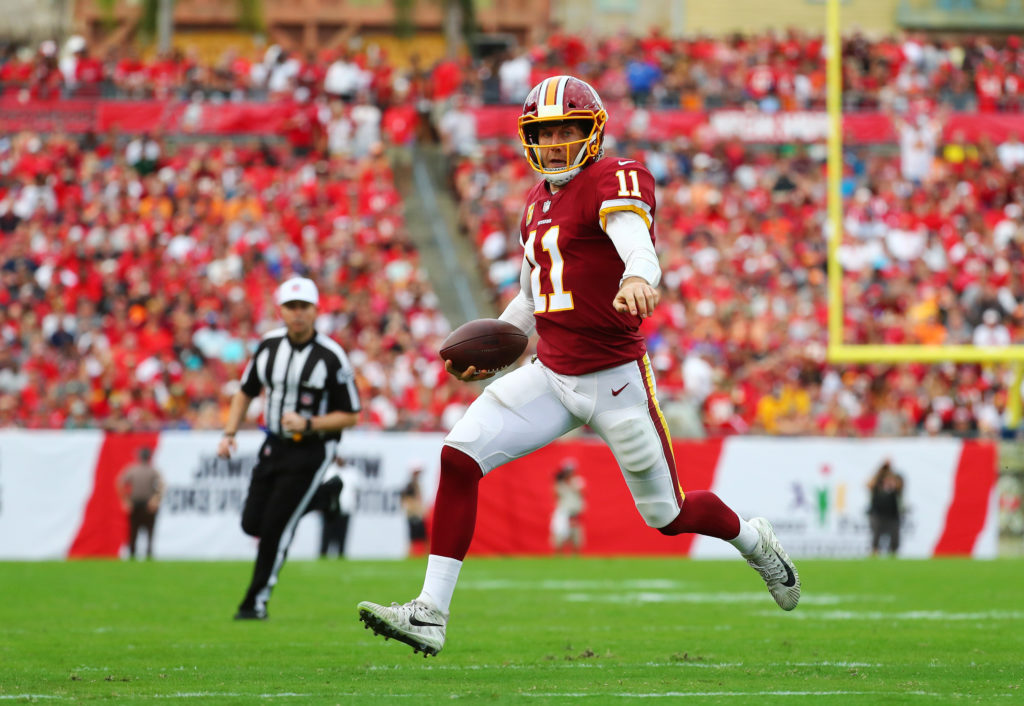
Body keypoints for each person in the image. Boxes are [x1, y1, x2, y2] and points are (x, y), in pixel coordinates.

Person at [357, 75, 801, 656]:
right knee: (458, 457)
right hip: (550, 373)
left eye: (568, 129)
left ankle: (753, 540)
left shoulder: (610, 179)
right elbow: (529, 300)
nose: (558, 143)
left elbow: (634, 236)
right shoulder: (536, 205)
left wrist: (640, 274)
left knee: (667, 514)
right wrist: (494, 355)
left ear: (592, 132)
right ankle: (431, 613)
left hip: (614, 382)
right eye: (547, 132)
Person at [218, 276, 361, 620]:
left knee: (276, 531)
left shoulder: (331, 356)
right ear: (280, 310)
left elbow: (351, 415)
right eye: (291, 307)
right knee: (252, 523)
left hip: (312, 450)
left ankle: (255, 602)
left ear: (315, 311)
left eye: (304, 307)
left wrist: (310, 424)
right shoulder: (268, 346)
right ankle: (324, 497)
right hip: (274, 444)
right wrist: (229, 432)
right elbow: (245, 391)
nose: (297, 314)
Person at [116, 447, 165, 560]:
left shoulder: (136, 470)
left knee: (137, 532)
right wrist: (126, 501)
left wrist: (126, 501)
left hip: (144, 504)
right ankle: (137, 554)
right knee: (139, 532)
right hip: (139, 504)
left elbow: (120, 483)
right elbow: (162, 486)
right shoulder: (150, 470)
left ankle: (143, 554)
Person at [867, 459, 904, 557]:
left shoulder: (895, 486)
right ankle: (875, 552)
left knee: (895, 537)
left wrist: (891, 477)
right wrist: (881, 469)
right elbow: (869, 484)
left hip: (892, 515)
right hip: (878, 514)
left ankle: (893, 554)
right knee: (876, 535)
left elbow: (900, 485)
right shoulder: (877, 485)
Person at [551, 458, 585, 553]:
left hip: (575, 515)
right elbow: (555, 495)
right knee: (559, 540)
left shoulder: (578, 481)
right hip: (563, 515)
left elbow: (582, 492)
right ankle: (559, 560)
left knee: (576, 541)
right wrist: (558, 480)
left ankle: (575, 561)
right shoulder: (560, 484)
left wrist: (569, 482)